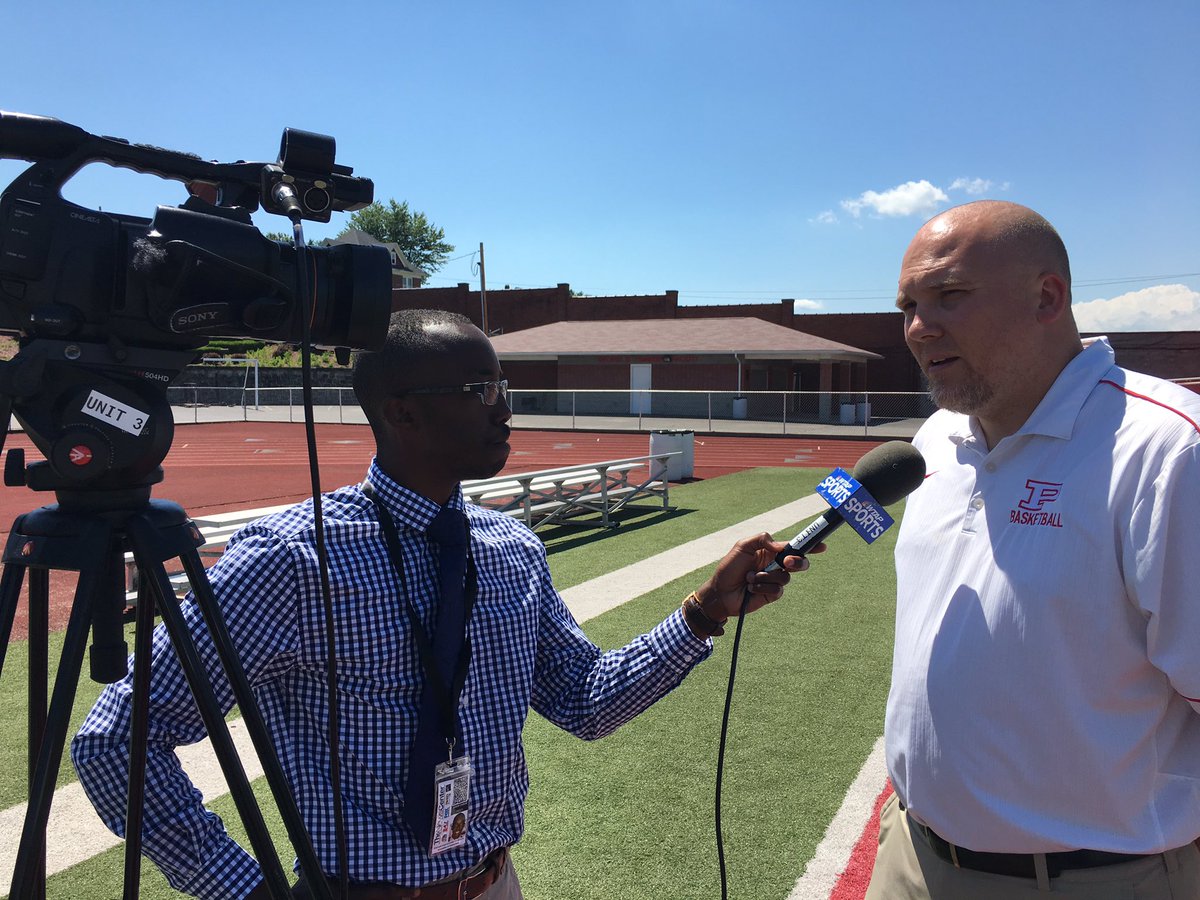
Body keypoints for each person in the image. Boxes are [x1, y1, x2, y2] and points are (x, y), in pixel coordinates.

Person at [72, 308, 810, 900]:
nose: (505, 413)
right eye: (480, 391)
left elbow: (585, 702)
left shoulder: (510, 548)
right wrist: (242, 887)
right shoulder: (294, 559)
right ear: (403, 414)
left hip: (493, 880)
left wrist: (705, 613)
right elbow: (116, 740)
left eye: (503, 391)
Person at [867, 200, 1200, 899]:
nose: (920, 329)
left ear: (1047, 297)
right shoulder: (936, 439)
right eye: (909, 306)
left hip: (1095, 879)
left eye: (950, 297)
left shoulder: (1167, 452)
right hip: (913, 859)